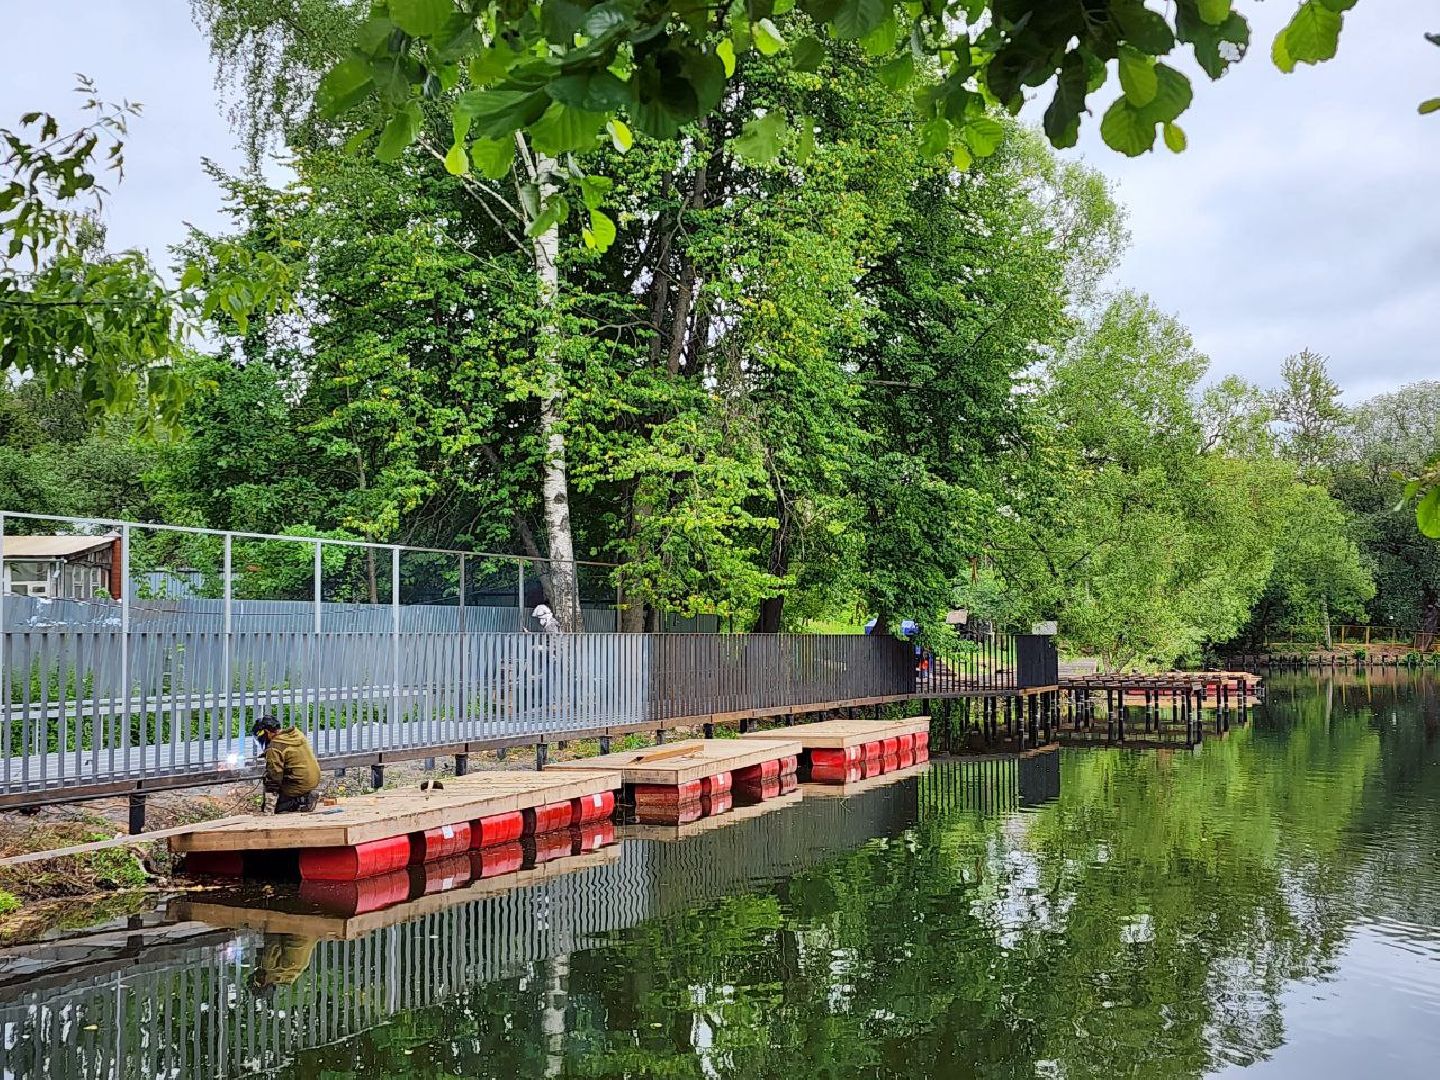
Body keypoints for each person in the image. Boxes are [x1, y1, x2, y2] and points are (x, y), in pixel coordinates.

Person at [252, 714, 321, 813]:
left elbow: (274, 777)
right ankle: (304, 795)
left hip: (299, 783)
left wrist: (269, 808)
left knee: (277, 806)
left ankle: (302, 801)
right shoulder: (296, 734)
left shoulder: (274, 747)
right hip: (313, 779)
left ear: (267, 732)